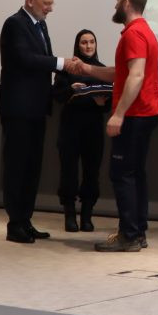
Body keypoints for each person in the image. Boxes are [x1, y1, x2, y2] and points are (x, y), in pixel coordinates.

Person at [78, 0, 158, 252]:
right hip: (146, 112)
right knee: (134, 174)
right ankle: (137, 232)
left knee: (122, 174)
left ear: (126, 2)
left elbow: (136, 75)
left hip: (135, 114)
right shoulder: (143, 31)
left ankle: (130, 236)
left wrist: (118, 114)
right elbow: (122, 72)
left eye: (117, 0)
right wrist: (87, 69)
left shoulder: (134, 34)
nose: (115, 4)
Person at [0, 0, 80, 243]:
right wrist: (62, 63)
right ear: (30, 0)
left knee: (32, 167)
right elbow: (25, 58)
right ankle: (15, 224)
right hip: (18, 109)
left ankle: (25, 220)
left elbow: (41, 61)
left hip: (36, 108)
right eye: (47, 3)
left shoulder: (40, 25)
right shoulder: (14, 24)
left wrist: (66, 68)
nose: (50, 8)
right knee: (17, 166)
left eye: (51, 3)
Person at [53, 29, 109, 232]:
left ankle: (87, 216)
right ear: (78, 45)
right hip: (70, 126)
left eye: (92, 42)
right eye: (84, 42)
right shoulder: (68, 68)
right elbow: (57, 95)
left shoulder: (102, 69)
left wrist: (103, 103)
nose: (88, 46)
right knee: (68, 171)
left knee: (91, 172)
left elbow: (109, 102)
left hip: (93, 127)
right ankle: (70, 216)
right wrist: (71, 90)